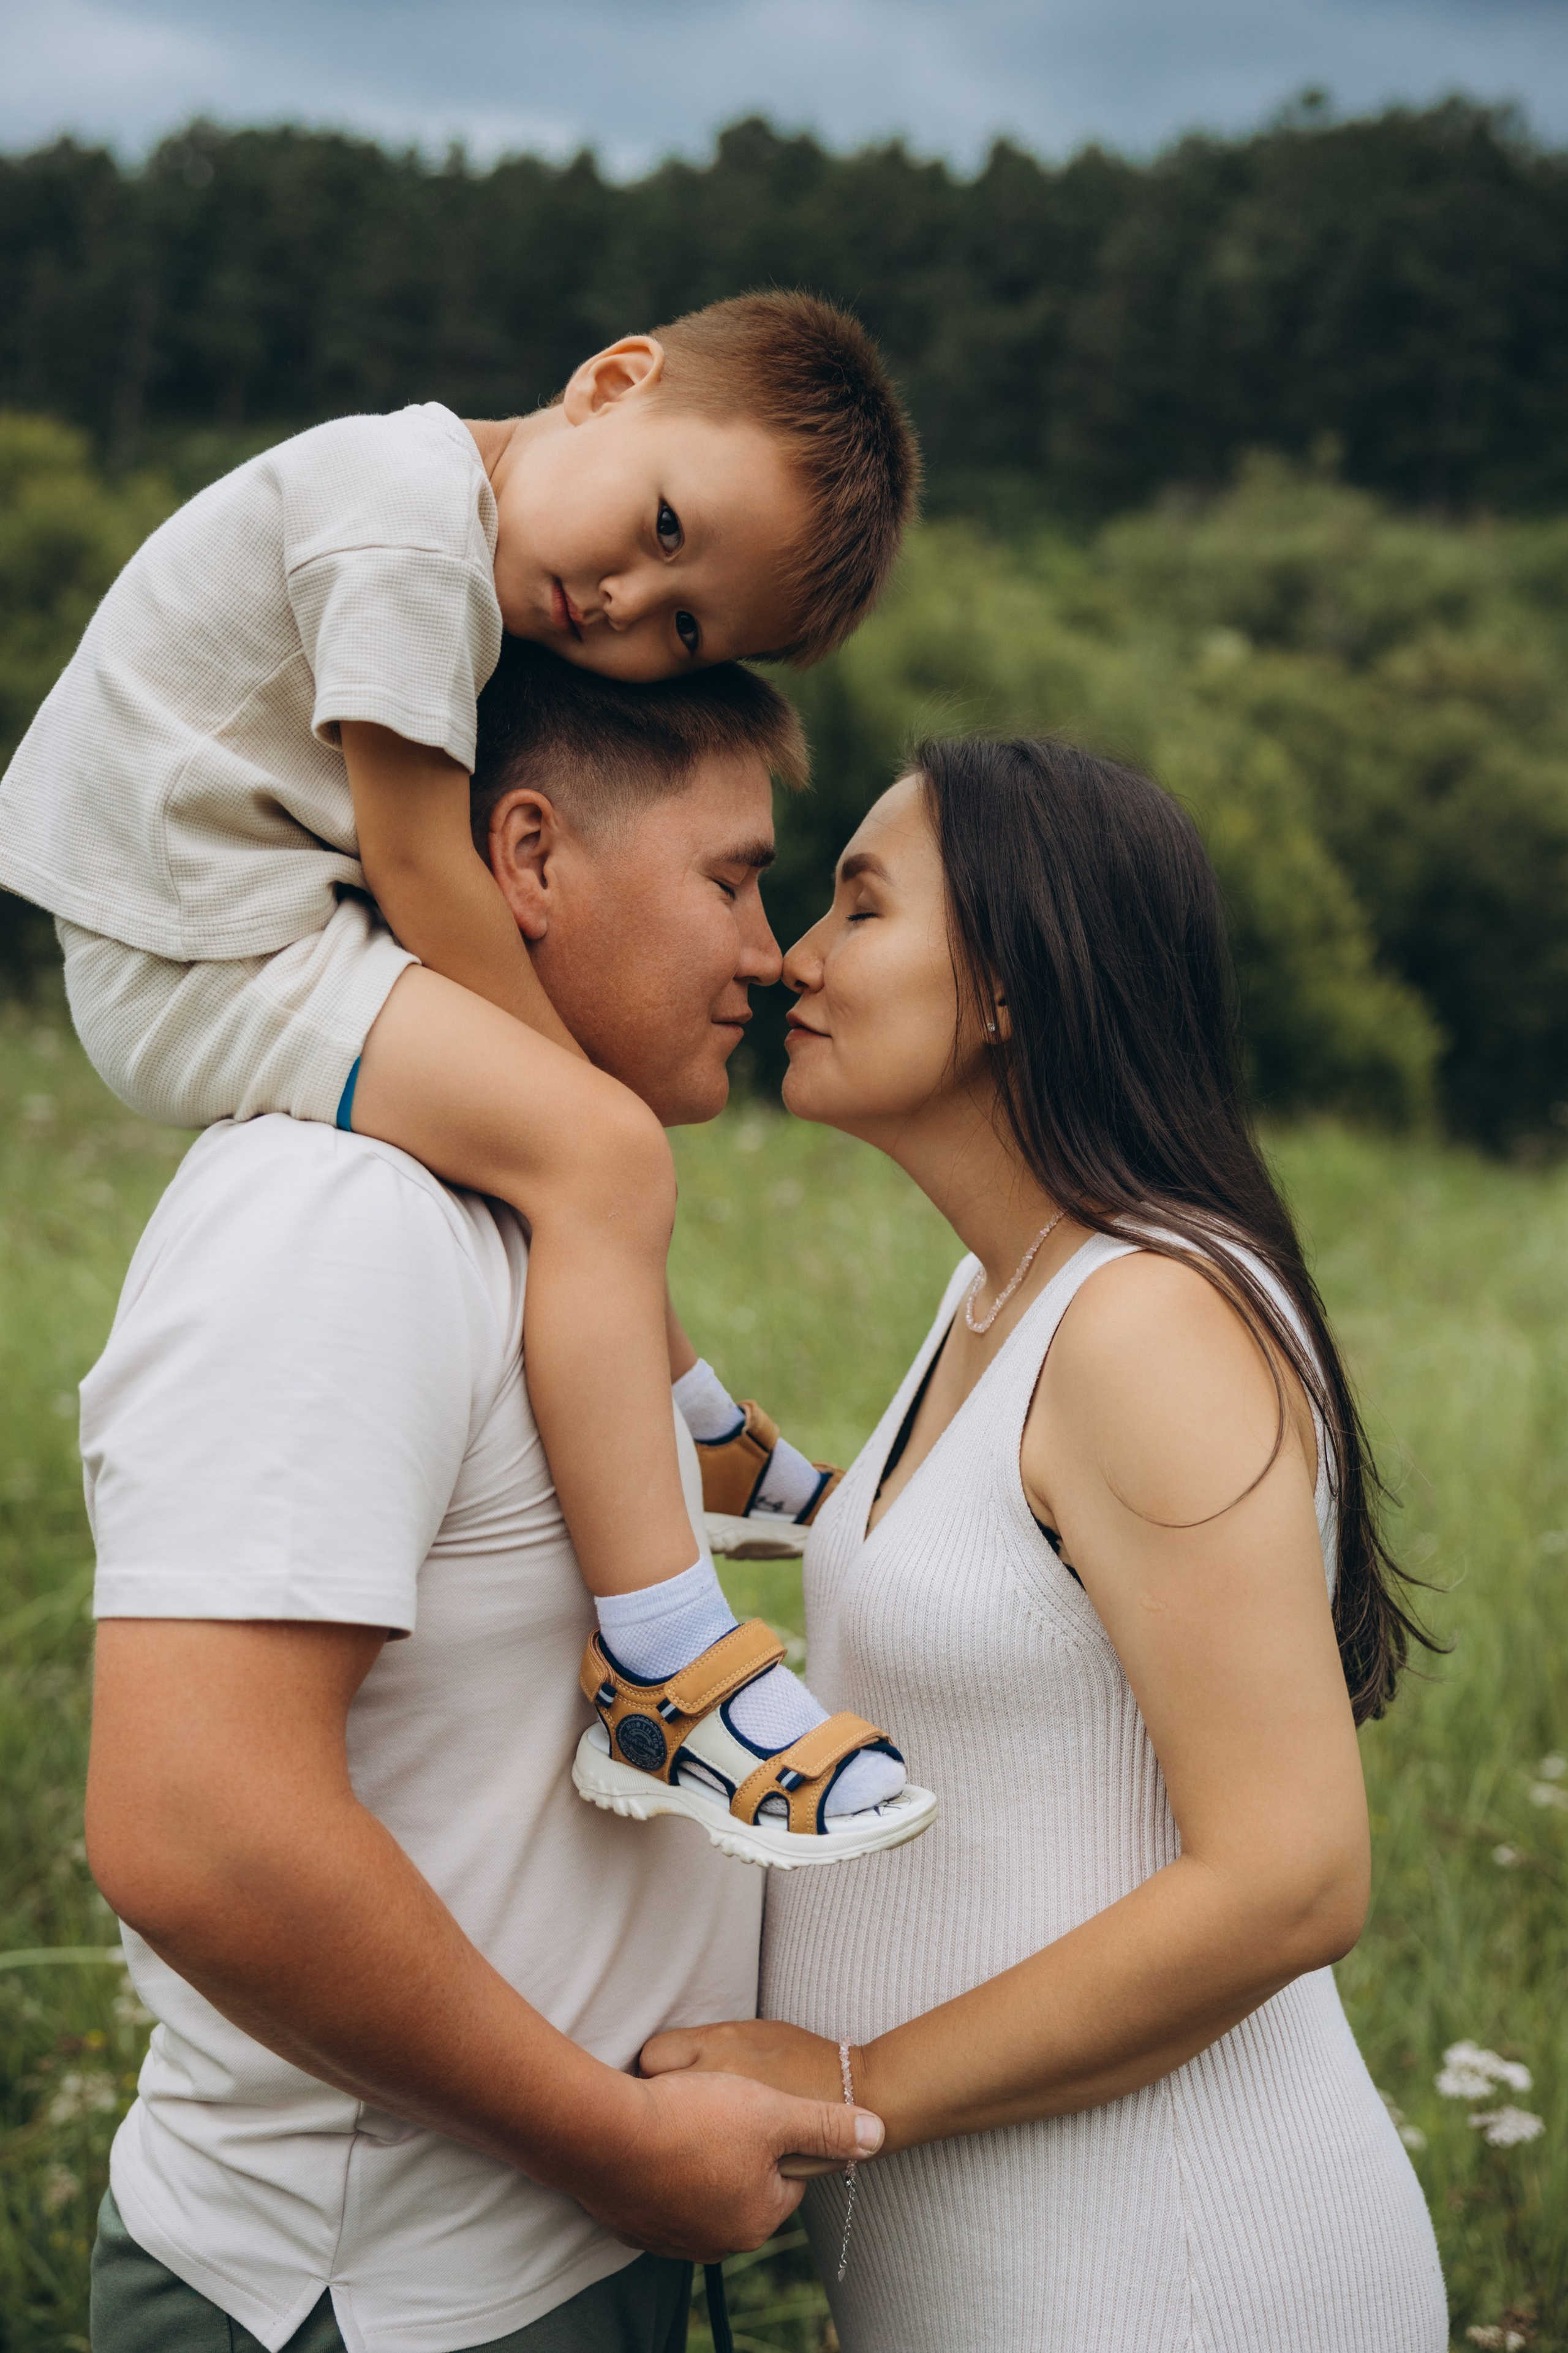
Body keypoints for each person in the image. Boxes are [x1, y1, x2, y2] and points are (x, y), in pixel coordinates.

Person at [2, 293, 923, 1860]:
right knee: (597, 1153)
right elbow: (429, 864)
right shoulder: (405, 525)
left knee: (581, 1157)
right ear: (610, 381)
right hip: (201, 943)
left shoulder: (447, 532)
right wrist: (581, 1094)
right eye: (661, 528)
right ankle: (663, 1659)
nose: (625, 601)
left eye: (684, 630)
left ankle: (692, 1422)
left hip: (254, 914)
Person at [80, 646, 885, 2353]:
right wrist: (620, 2149)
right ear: (528, 857)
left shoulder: (527, 1220)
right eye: (730, 879)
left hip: (544, 2263)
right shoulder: (342, 1218)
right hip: (372, 2301)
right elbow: (194, 1828)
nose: (767, 948)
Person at [641, 738, 1451, 2350]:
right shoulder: (993, 1293)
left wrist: (855, 2078)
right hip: (1010, 2264)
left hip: (1175, 2268)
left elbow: (1291, 1879)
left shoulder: (1145, 1319)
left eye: (860, 907)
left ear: (1010, 984)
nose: (794, 957)